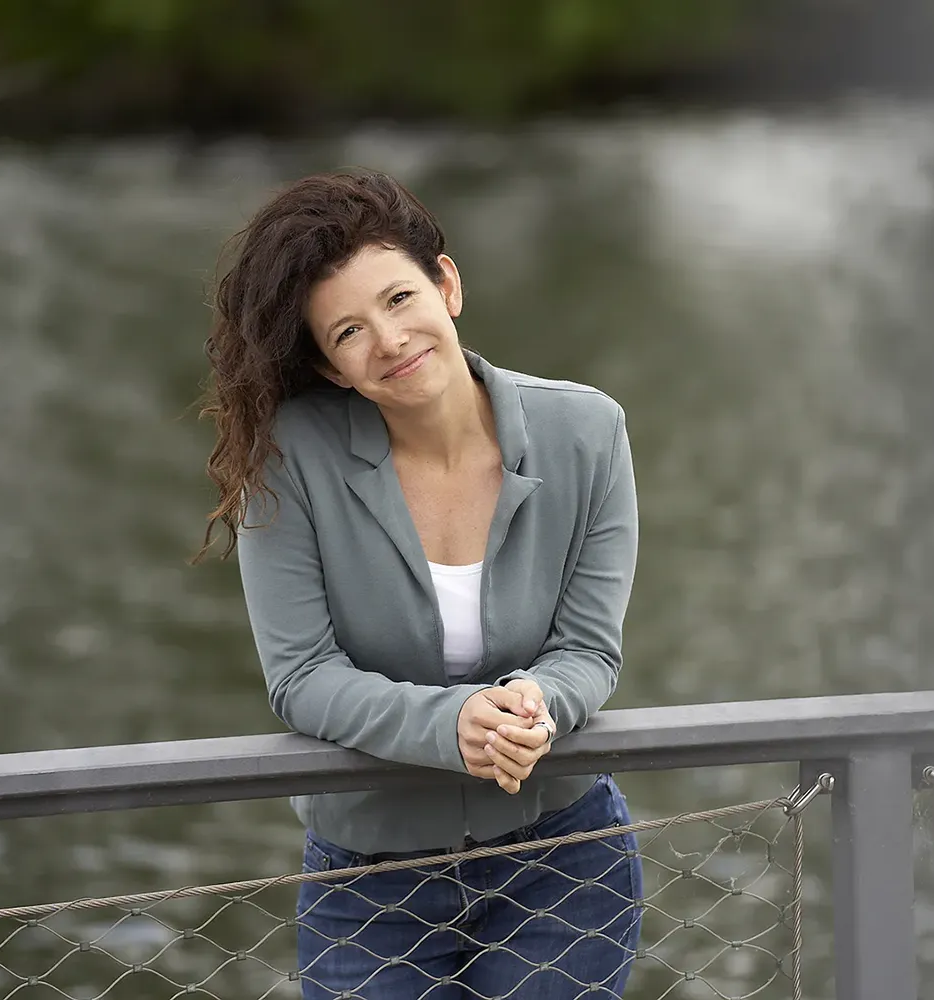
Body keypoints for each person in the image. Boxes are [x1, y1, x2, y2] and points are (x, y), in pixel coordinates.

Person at [196, 169, 643, 999]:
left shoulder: (588, 430)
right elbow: (301, 677)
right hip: (370, 883)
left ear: (448, 284)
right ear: (330, 366)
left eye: (400, 298)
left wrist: (535, 704)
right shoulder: (289, 459)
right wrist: (452, 725)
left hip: (565, 861)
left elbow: (589, 650)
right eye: (349, 331)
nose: (391, 340)